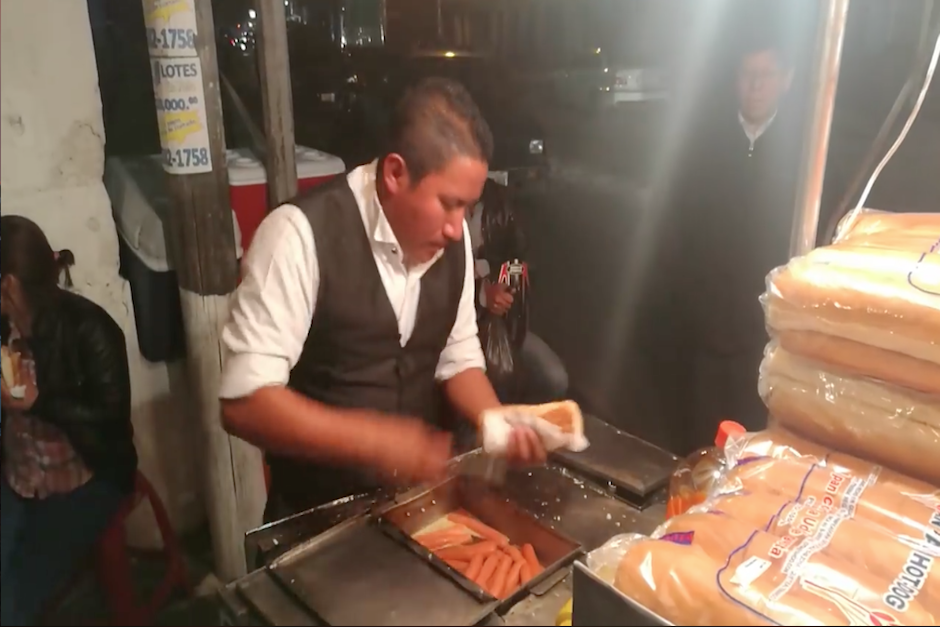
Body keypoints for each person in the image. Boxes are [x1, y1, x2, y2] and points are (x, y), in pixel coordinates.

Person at [220, 78, 547, 521]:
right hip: (314, 521)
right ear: (395, 174)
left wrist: (496, 419)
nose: (458, 228)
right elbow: (244, 402)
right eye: (449, 203)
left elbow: (458, 354)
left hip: (414, 508)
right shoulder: (297, 237)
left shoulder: (454, 242)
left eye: (467, 208)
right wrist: (376, 440)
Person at [0, 216, 137, 626]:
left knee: (10, 606)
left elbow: (112, 422)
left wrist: (40, 403)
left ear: (7, 285)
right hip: (17, 475)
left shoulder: (90, 329)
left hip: (86, 482)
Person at [670, 30, 802, 453]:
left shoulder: (806, 152)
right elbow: (680, 226)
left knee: (756, 444)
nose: (757, 84)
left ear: (787, 79)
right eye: (748, 74)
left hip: (768, 332)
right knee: (700, 444)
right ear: (735, 79)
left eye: (767, 74)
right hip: (706, 327)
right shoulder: (705, 144)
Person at [468, 179, 568, 404]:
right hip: (452, 331)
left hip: (500, 325)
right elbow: (441, 276)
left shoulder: (498, 203)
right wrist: (482, 293)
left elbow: (522, 261)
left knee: (554, 378)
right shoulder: (438, 204)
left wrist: (506, 283)